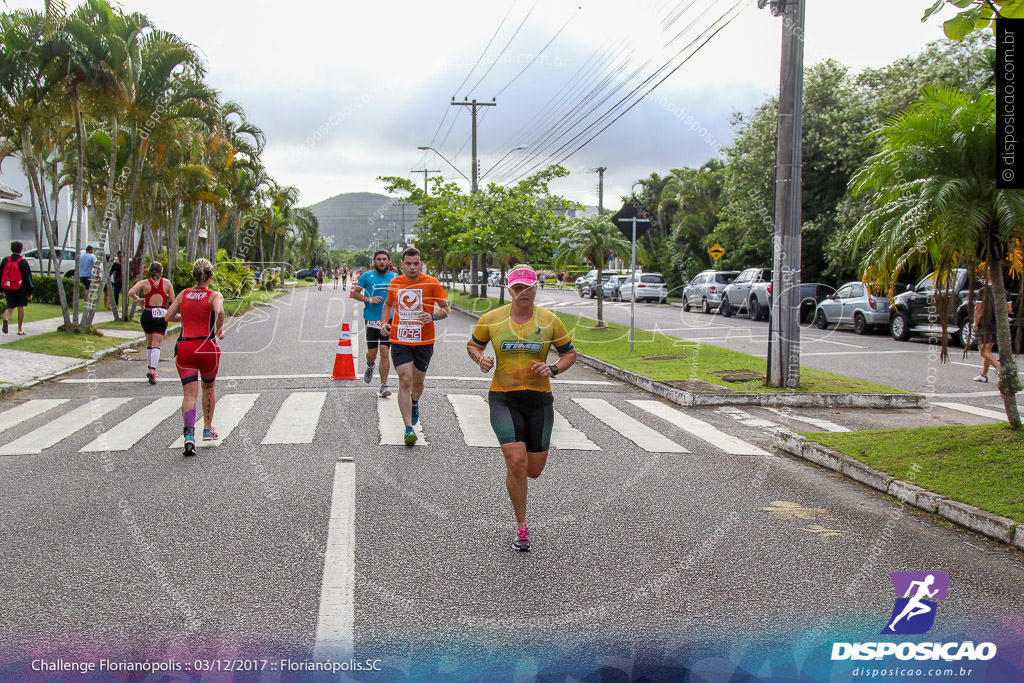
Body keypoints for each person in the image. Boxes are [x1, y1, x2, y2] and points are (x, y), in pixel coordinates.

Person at [466, 264, 577, 552]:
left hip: (539, 400)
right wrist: (481, 360)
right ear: (509, 289)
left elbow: (569, 353)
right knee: (516, 462)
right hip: (503, 397)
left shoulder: (550, 321)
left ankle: (520, 478)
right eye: (517, 287)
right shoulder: (492, 319)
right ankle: (521, 527)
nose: (523, 292)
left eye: (528, 287)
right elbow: (473, 345)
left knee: (534, 469)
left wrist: (552, 368)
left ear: (536, 288)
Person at [381, 247, 450, 446]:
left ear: (421, 264)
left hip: (424, 342)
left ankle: (414, 402)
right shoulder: (395, 283)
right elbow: (388, 304)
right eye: (408, 264)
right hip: (400, 340)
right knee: (404, 379)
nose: (412, 267)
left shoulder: (432, 283)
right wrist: (385, 322)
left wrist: (433, 316)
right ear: (402, 265)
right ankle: (408, 428)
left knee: (417, 385)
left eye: (416, 263)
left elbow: (446, 309)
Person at [164, 258, 225, 457]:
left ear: (193, 276)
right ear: (211, 276)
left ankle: (189, 435)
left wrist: (185, 317)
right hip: (207, 347)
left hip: (185, 347)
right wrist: (218, 329)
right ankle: (207, 429)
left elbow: (168, 317)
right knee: (208, 387)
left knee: (189, 394)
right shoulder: (214, 295)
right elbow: (220, 311)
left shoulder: (184, 294)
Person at [353, 250, 397, 399]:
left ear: (389, 262)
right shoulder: (367, 276)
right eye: (379, 259)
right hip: (372, 319)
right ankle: (370, 365)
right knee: (372, 353)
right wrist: (369, 299)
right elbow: (355, 293)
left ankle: (383, 385)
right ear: (374, 261)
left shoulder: (395, 277)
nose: (382, 262)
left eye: (384, 259)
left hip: (388, 320)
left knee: (385, 351)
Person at [127, 262, 175, 384]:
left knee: (149, 343)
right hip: (160, 313)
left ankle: (150, 367)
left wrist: (138, 299)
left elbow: (130, 292)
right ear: (161, 271)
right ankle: (153, 370)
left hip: (147, 313)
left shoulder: (144, 283)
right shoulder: (167, 283)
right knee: (157, 344)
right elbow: (173, 300)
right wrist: (166, 295)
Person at [973, 273, 1011, 383]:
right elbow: (1009, 309)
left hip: (985, 324)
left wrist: (976, 323)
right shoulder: (1005, 292)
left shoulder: (983, 291)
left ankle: (1002, 372)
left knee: (983, 352)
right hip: (998, 325)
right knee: (988, 351)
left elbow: (978, 309)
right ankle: (983, 375)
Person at [1, 241, 33, 336]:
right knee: (20, 308)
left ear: (11, 249)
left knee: (10, 306)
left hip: (8, 287)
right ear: (21, 249)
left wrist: (1, 290)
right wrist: (30, 292)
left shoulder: (5, 260)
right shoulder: (23, 262)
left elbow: (0, 275)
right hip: (20, 288)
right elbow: (28, 279)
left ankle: (6, 319)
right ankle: (19, 329)